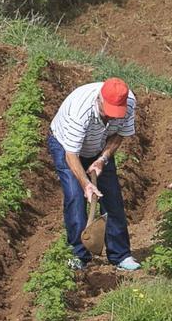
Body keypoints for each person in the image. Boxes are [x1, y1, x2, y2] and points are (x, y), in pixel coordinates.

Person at [47, 77, 141, 271]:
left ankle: (121, 255)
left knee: (112, 197)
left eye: (116, 114)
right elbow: (71, 154)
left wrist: (102, 159)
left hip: (99, 147)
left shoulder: (129, 102)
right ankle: (78, 254)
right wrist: (86, 184)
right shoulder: (80, 111)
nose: (112, 117)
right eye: (108, 112)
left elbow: (120, 134)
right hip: (66, 146)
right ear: (99, 99)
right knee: (75, 197)